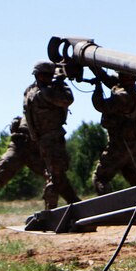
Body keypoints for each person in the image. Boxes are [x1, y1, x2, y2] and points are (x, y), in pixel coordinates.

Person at [24, 61, 81, 209]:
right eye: (47, 75)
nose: (50, 78)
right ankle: (52, 209)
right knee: (55, 175)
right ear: (39, 76)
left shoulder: (30, 91)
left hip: (45, 139)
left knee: (58, 174)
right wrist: (61, 82)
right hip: (51, 139)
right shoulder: (43, 93)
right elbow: (68, 99)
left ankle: (74, 203)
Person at [90, 70, 136, 195]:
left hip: (119, 147)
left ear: (132, 78)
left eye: (124, 74)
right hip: (131, 146)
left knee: (100, 179)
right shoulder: (132, 92)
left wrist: (97, 89)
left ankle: (108, 209)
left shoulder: (124, 96)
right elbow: (107, 79)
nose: (120, 76)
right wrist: (93, 67)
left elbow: (101, 105)